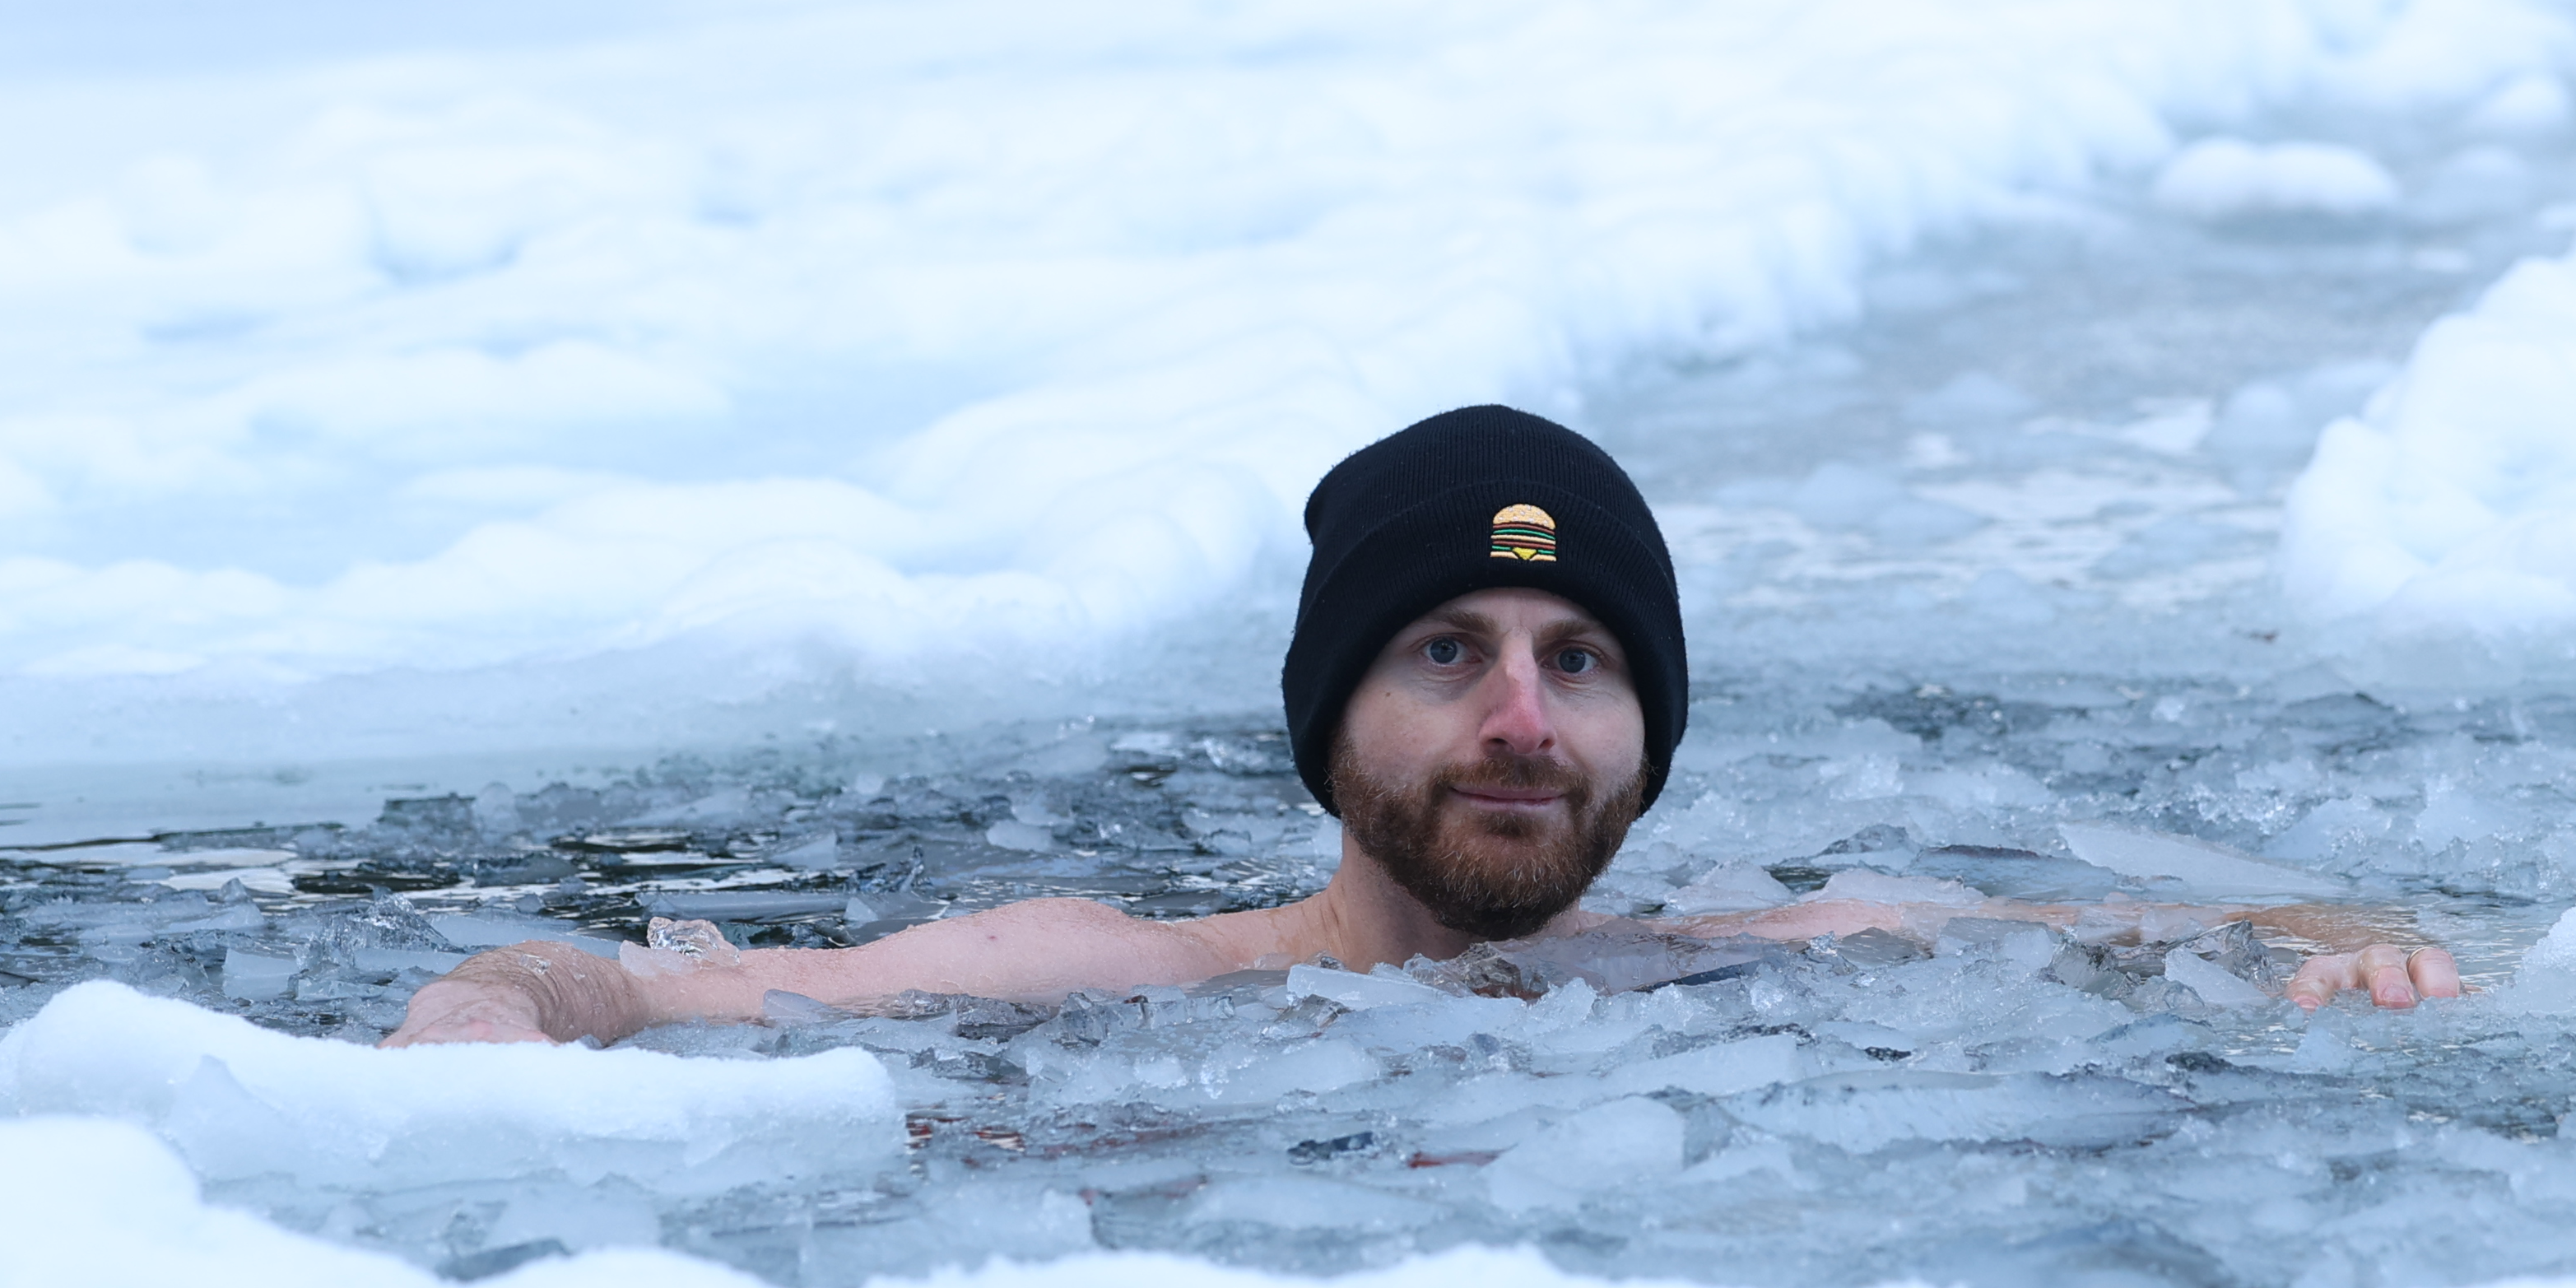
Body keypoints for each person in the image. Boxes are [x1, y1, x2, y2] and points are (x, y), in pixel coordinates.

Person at [388, 403, 2464, 1044]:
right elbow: (618, 988)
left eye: (1583, 662)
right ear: (1329, 716)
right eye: (1447, 651)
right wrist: (490, 1009)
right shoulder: (1104, 972)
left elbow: (2250, 927)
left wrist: (2358, 958)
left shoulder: (1782, 958)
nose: (1521, 716)